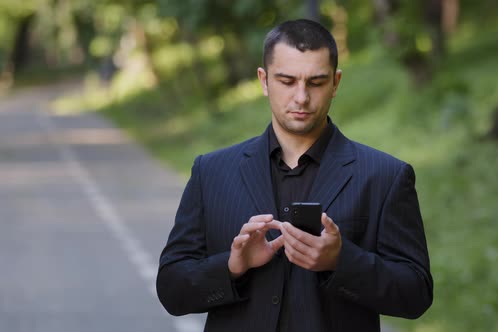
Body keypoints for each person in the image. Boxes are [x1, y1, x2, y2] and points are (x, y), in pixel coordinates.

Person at [156, 19, 433, 332]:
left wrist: (341, 261)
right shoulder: (211, 172)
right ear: (264, 80)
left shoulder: (385, 176)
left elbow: (416, 294)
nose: (301, 97)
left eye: (315, 82)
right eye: (287, 81)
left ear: (336, 83)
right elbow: (171, 290)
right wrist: (233, 266)